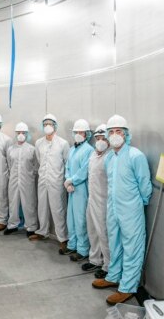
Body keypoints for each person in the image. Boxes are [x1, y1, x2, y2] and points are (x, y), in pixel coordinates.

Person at [92, 115, 152, 306]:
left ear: (126, 135)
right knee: (115, 243)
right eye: (112, 132)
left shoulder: (136, 155)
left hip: (131, 210)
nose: (115, 135)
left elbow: (145, 185)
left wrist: (136, 205)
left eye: (119, 132)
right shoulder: (110, 157)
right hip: (113, 209)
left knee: (132, 247)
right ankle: (114, 275)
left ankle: (127, 287)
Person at [30, 114, 70, 253]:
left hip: (57, 181)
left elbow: (67, 163)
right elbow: (39, 160)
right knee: (42, 206)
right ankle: (43, 231)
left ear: (55, 126)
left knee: (58, 210)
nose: (47, 126)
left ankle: (63, 238)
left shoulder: (63, 143)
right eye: (45, 123)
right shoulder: (39, 143)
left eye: (50, 123)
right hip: (43, 180)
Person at [64, 119, 94, 260]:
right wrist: (67, 180)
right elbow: (67, 167)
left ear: (86, 134)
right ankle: (72, 244)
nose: (78, 134)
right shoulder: (72, 149)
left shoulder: (89, 150)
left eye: (81, 132)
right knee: (71, 218)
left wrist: (72, 180)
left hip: (81, 189)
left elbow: (84, 171)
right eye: (76, 132)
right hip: (71, 189)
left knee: (81, 219)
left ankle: (82, 250)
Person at [84, 124, 110, 277]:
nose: (100, 141)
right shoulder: (93, 155)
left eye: (103, 138)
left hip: (104, 201)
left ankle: (107, 265)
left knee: (103, 233)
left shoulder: (110, 156)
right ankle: (95, 260)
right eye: (97, 138)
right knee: (92, 230)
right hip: (92, 198)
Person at [4, 122, 38, 237]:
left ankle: (31, 227)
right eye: (19, 132)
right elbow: (9, 164)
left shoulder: (32, 149)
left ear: (27, 134)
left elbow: (35, 166)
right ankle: (12, 225)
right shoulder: (10, 149)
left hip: (27, 180)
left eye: (23, 133)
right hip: (13, 180)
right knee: (13, 202)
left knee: (29, 203)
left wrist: (29, 176)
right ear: (16, 133)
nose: (21, 135)